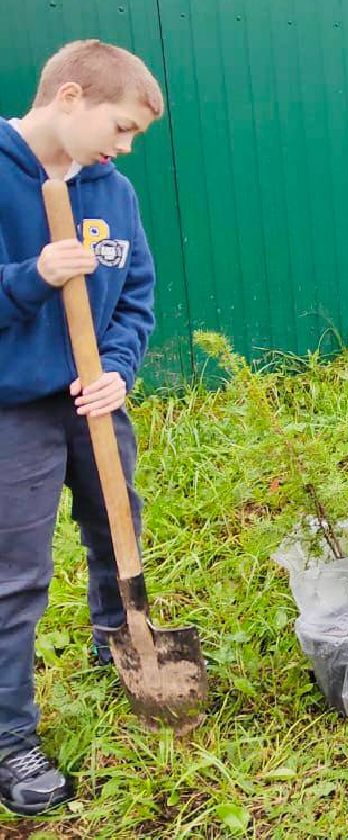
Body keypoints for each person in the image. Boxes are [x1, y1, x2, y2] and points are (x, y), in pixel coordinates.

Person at [0, 40, 163, 817]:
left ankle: (119, 643)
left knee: (116, 527)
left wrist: (119, 368)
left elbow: (135, 294)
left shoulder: (112, 191)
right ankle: (9, 738)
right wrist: (31, 278)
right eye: (120, 127)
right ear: (70, 97)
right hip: (13, 410)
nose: (124, 147)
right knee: (15, 578)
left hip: (95, 401)